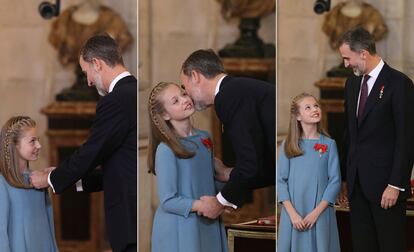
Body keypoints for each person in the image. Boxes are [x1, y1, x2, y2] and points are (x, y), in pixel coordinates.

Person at [30, 34, 137, 252]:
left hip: (129, 218)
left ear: (97, 63)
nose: (88, 81)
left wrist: (51, 178)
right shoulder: (133, 91)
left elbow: (91, 152)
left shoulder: (116, 100)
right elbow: (121, 164)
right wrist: (73, 179)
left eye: (86, 71)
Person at [338, 27, 414, 251]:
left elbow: (406, 139)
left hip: (386, 188)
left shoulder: (400, 84)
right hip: (357, 187)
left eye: (346, 58)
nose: (345, 65)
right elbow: (349, 135)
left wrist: (396, 185)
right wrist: (345, 178)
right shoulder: (351, 85)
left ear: (363, 53)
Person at [180, 49, 275, 218]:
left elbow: (250, 162)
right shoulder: (236, 89)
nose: (186, 95)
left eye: (184, 87)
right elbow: (264, 162)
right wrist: (227, 173)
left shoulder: (228, 96)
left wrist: (219, 203)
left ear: (195, 76)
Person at [148, 82, 228, 252]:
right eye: (175, 101)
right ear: (165, 115)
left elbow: (208, 184)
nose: (184, 100)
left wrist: (225, 189)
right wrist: (202, 206)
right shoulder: (166, 149)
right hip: (180, 226)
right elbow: (168, 200)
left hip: (207, 221)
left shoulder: (204, 138)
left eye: (183, 94)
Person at [277, 93, 341, 252]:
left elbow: (335, 181)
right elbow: (280, 181)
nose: (315, 109)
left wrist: (315, 214)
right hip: (293, 213)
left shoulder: (329, 144)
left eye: (316, 105)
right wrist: (293, 215)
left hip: (320, 213)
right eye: (308, 107)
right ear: (298, 116)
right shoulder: (289, 145)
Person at [0, 116, 58, 252]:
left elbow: (49, 230)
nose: (39, 145)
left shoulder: (38, 182)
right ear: (14, 145)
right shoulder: (3, 184)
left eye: (38, 140)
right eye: (32, 141)